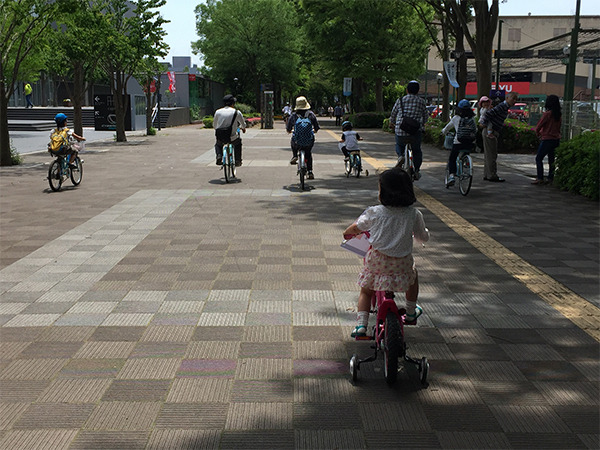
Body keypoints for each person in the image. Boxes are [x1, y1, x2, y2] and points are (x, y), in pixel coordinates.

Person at [343, 168, 430, 337]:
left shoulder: (375, 212)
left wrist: (348, 232)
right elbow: (422, 236)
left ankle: (361, 325)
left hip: (377, 261)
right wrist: (425, 235)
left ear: (383, 192)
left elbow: (357, 227)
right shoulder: (413, 214)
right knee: (413, 277)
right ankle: (411, 311)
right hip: (402, 263)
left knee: (366, 291)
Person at [389, 80, 429, 180]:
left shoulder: (400, 100)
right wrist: (423, 124)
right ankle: (416, 171)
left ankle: (400, 157)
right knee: (417, 151)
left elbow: (393, 114)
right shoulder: (421, 101)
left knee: (399, 144)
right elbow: (425, 116)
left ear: (407, 90)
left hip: (401, 130)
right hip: (415, 131)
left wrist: (392, 123)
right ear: (418, 91)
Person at [479, 91, 519, 182]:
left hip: (491, 131)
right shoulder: (502, 106)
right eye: (513, 98)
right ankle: (492, 175)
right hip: (490, 132)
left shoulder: (505, 107)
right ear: (507, 98)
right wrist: (483, 124)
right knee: (492, 154)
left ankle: (487, 174)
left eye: (516, 99)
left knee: (489, 154)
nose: (514, 101)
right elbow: (489, 114)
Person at [442, 99, 477, 186]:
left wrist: (443, 132)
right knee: (465, 154)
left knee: (452, 159)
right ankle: (466, 165)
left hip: (458, 142)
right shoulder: (472, 119)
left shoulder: (456, 118)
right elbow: (475, 130)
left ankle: (452, 176)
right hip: (470, 142)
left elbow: (447, 128)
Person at [286, 96, 320, 179]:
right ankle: (310, 171)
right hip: (309, 140)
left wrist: (290, 131)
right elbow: (316, 127)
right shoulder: (311, 114)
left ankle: (294, 156)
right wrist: (314, 130)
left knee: (293, 141)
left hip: (297, 140)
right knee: (308, 154)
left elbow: (288, 128)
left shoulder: (293, 115)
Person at [532, 94, 561, 185]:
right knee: (551, 159)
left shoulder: (547, 114)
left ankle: (540, 177)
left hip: (547, 139)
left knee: (539, 158)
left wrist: (538, 134)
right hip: (556, 139)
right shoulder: (558, 115)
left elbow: (539, 126)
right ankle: (550, 178)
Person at [214, 94, 246, 167]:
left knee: (218, 145)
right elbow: (243, 124)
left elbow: (215, 125)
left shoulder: (218, 112)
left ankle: (219, 155)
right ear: (233, 103)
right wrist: (243, 128)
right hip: (232, 137)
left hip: (221, 137)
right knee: (238, 144)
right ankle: (238, 160)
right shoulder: (237, 112)